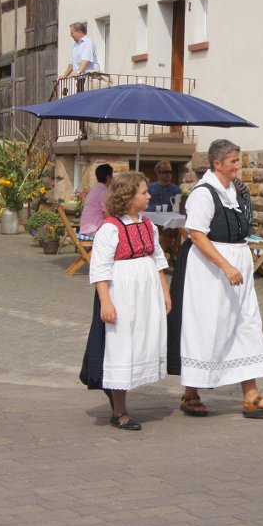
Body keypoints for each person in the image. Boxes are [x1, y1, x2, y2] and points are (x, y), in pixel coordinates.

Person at [167, 139, 263, 418]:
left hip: (237, 263)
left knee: (247, 323)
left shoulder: (236, 192)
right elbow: (195, 234)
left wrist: (240, 262)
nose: (237, 166)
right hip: (208, 269)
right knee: (207, 326)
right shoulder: (203, 194)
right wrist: (225, 266)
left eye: (237, 160)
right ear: (217, 163)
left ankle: (252, 396)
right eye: (233, 161)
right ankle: (191, 392)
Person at [80, 172, 171, 430]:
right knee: (121, 345)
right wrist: (106, 302)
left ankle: (121, 396)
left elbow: (158, 260)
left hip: (145, 292)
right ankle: (119, 410)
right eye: (144, 192)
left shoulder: (148, 225)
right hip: (121, 291)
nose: (149, 195)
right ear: (129, 197)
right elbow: (99, 269)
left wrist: (164, 292)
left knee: (140, 340)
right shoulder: (110, 229)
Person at [78, 163, 113, 240]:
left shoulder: (95, 189)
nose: (113, 178)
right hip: (94, 230)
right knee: (118, 233)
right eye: (112, 176)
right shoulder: (104, 192)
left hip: (86, 228)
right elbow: (108, 216)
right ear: (108, 177)